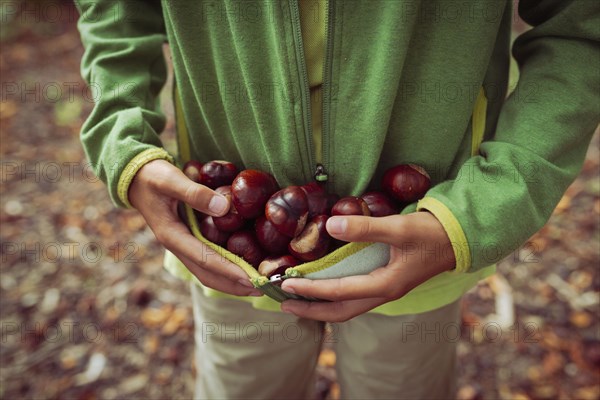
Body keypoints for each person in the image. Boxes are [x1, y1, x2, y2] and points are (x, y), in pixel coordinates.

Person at [76, 0, 598, 398]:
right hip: (235, 251)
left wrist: (491, 200)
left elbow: (580, 25)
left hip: (420, 234)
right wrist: (123, 141)